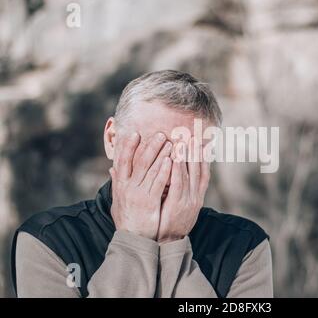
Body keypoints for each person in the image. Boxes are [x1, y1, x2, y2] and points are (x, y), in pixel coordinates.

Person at [11, 70, 273, 298]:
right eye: (156, 148)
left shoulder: (245, 246)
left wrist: (173, 242)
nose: (169, 170)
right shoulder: (47, 241)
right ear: (112, 139)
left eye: (188, 154)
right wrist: (134, 239)